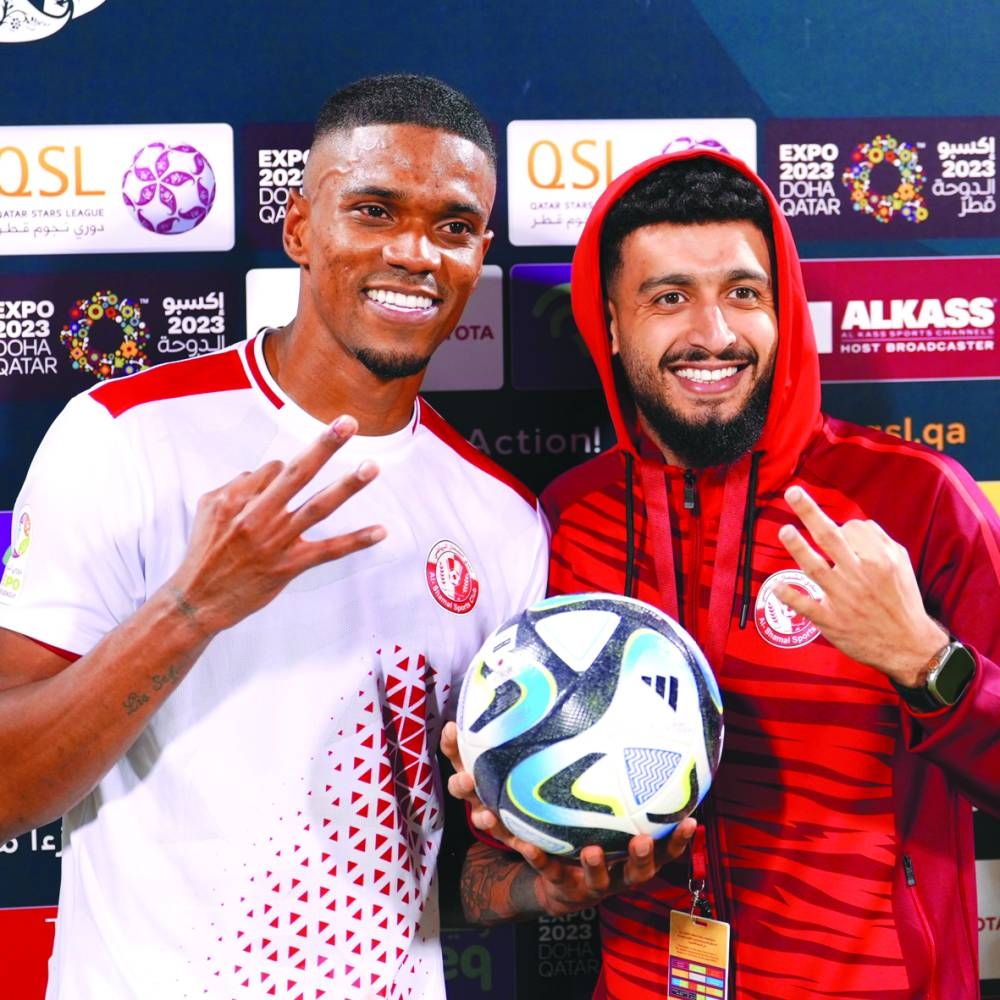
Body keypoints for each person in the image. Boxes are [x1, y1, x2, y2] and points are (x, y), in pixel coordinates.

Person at [0, 74, 548, 1000]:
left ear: (479, 252)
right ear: (299, 228)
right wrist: (190, 609)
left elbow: (424, 861)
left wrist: (530, 886)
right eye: (374, 210)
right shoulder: (126, 434)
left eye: (453, 226)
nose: (415, 252)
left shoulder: (500, 516)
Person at [443, 148, 1000, 998]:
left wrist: (929, 665)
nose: (714, 333)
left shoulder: (912, 500)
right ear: (613, 324)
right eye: (670, 297)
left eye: (743, 292)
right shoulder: (566, 518)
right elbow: (487, 848)